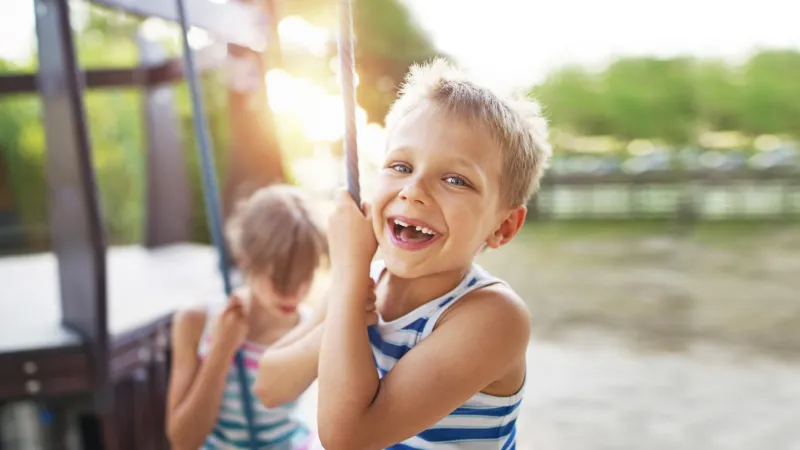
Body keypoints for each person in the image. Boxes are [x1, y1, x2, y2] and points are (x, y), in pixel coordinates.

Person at [255, 58, 553, 450]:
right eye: (401, 166)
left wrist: (348, 273)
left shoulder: (494, 316)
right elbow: (269, 387)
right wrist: (342, 317)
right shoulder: (362, 284)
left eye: (455, 179)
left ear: (504, 226)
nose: (413, 191)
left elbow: (349, 437)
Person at [165, 184, 329, 450]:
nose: (294, 293)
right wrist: (221, 350)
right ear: (245, 260)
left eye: (305, 276)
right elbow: (182, 442)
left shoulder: (311, 329)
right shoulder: (196, 322)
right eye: (280, 278)